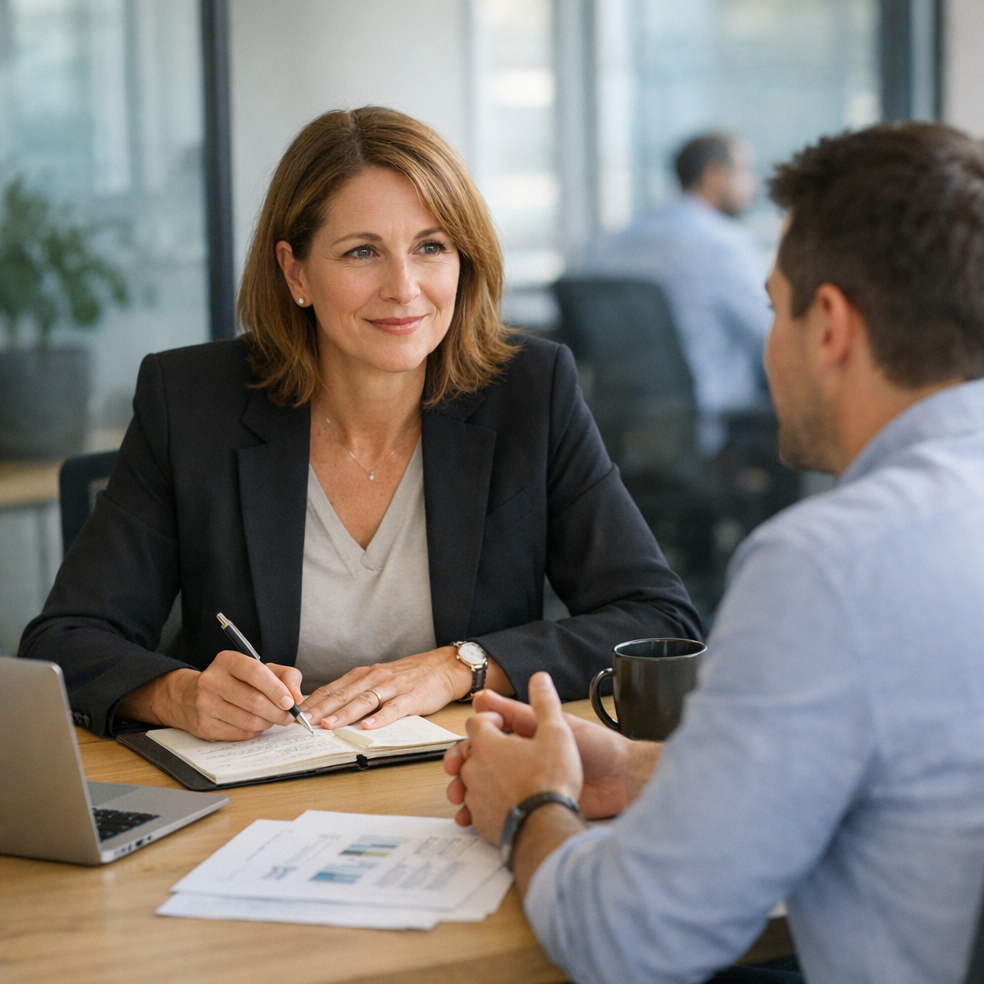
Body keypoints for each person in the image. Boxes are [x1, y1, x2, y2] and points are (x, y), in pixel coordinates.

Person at [445, 122, 984, 984]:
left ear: (827, 325)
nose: (769, 348)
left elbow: (629, 945)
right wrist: (641, 768)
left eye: (773, 308)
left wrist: (532, 806)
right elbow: (913, 766)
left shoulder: (828, 567)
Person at [20, 107, 700, 741]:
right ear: (296, 272)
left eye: (431, 247)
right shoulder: (193, 402)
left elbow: (657, 618)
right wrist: (177, 694)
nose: (404, 287)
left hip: (457, 781)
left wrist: (458, 665)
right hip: (256, 794)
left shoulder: (529, 391)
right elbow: (66, 638)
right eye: (361, 253)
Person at [575, 132, 772, 454]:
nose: (754, 185)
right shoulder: (726, 244)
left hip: (621, 431)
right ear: (714, 174)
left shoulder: (612, 242)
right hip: (709, 425)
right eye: (746, 172)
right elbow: (771, 334)